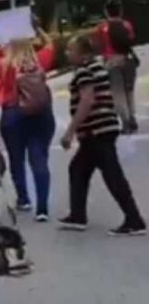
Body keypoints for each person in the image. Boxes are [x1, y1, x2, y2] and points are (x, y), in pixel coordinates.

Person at [59, 35, 146, 235]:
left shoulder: (83, 72)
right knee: (78, 169)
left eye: (70, 50)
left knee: (112, 175)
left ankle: (134, 219)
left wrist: (70, 131)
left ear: (83, 53)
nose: (67, 53)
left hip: (95, 130)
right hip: (102, 128)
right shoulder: (97, 67)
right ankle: (77, 215)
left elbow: (87, 100)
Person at [0, 28, 56, 221]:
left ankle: (23, 198)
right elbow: (50, 45)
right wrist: (37, 26)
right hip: (41, 114)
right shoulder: (40, 61)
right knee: (39, 158)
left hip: (13, 113)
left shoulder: (4, 65)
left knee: (17, 159)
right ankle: (42, 208)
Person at [96, 0, 140, 134]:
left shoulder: (102, 28)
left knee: (117, 94)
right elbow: (132, 41)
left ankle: (125, 122)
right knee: (129, 91)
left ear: (106, 12)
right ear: (120, 10)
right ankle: (132, 118)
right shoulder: (127, 25)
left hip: (112, 62)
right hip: (128, 60)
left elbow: (99, 47)